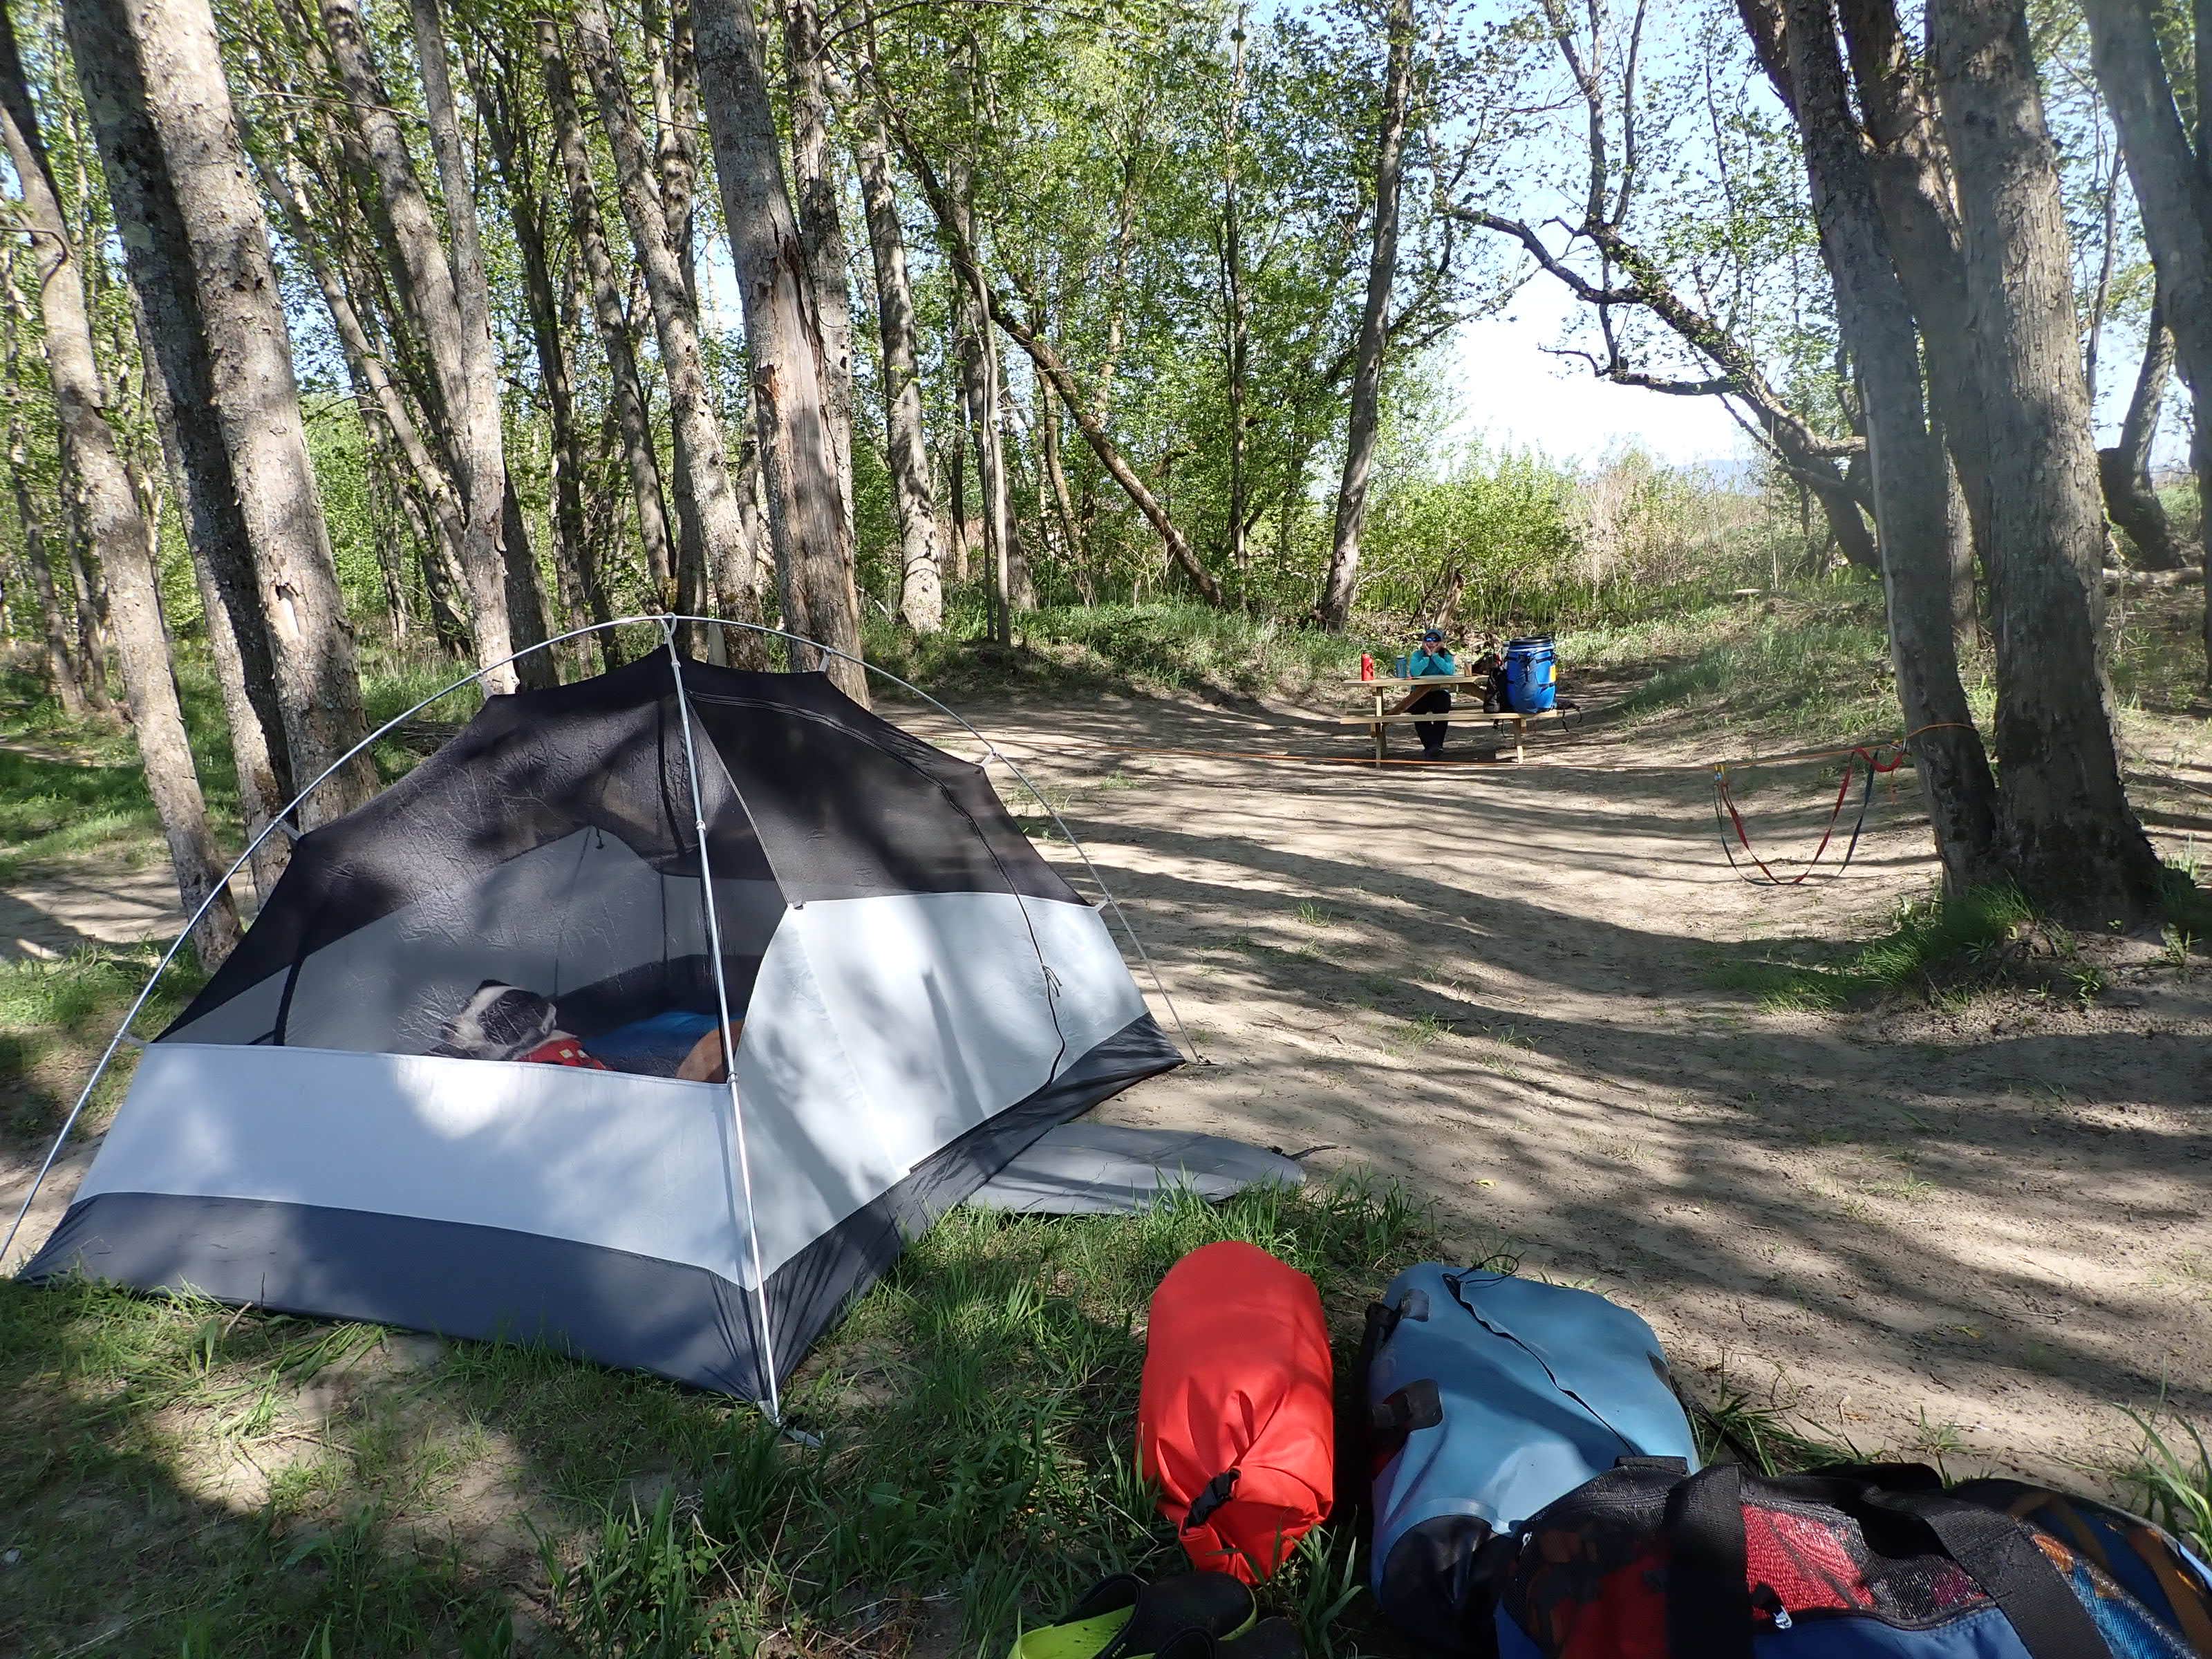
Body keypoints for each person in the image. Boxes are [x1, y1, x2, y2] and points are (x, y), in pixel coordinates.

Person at [1398, 627, 1458, 758]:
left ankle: (1435, 747)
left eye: (1435, 640)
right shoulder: (1417, 655)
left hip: (1439, 691)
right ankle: (1432, 746)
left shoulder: (1446, 655)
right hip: (1419, 693)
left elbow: (1449, 671)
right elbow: (1415, 672)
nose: (1431, 643)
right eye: (1428, 640)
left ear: (1441, 642)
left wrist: (1435, 656)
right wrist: (1427, 657)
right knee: (1417, 712)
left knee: (1442, 710)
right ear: (1423, 642)